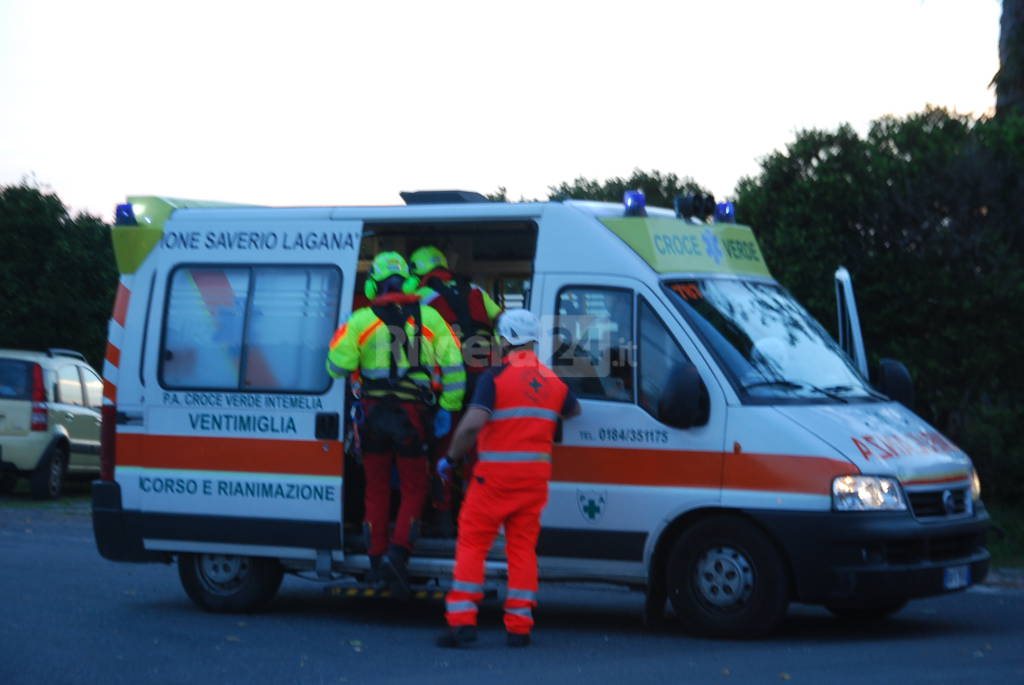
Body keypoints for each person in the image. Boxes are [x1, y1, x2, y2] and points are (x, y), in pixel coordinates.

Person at [435, 309, 581, 648]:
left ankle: (462, 622)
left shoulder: (494, 378)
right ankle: (519, 625)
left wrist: (451, 458)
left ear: (505, 340)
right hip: (533, 482)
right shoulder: (553, 381)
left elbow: (472, 425)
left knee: (473, 544)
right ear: (532, 340)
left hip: (494, 481)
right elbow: (574, 410)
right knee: (522, 549)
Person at [326, 252, 465, 599]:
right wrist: (447, 408)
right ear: (408, 282)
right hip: (413, 418)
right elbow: (455, 367)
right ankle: (397, 555)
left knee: (376, 489)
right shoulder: (430, 317)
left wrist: (346, 333)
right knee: (415, 488)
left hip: (372, 417)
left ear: (373, 284)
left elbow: (335, 368)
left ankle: (375, 561)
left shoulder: (360, 320)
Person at [409, 245, 503, 531]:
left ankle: (442, 515)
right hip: (484, 379)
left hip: (448, 384)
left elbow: (414, 344)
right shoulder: (476, 290)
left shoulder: (422, 298)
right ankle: (478, 513)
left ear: (419, 271)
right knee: (477, 450)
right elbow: (501, 321)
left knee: (444, 451)